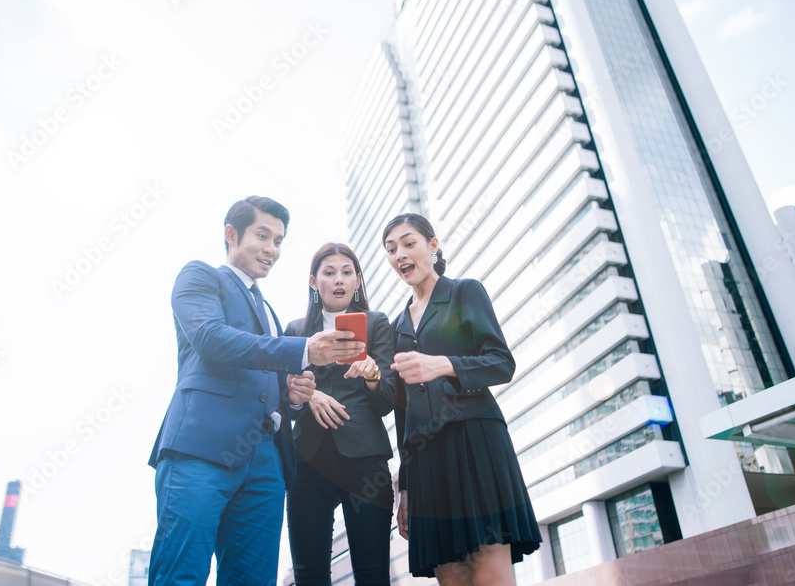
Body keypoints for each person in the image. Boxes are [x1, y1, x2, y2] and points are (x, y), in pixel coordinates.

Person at [146, 196, 366, 586]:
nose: (272, 249)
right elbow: (212, 339)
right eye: (262, 236)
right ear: (232, 234)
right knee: (182, 574)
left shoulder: (270, 312)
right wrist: (303, 350)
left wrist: (294, 395)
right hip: (202, 448)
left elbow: (267, 380)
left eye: (279, 241)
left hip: (267, 462)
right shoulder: (200, 277)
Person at [365, 212, 541, 585]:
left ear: (433, 245)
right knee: (452, 577)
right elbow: (402, 409)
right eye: (391, 249)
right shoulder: (397, 326)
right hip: (426, 459)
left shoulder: (464, 291)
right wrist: (406, 486)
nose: (400, 255)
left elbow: (501, 363)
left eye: (408, 243)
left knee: (489, 570)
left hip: (475, 442)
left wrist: (442, 364)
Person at [284, 243, 397, 585]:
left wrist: (373, 374)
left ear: (358, 280)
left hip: (364, 460)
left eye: (347, 272)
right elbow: (284, 402)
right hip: (308, 460)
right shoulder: (295, 330)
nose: (339, 280)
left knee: (373, 573)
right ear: (313, 282)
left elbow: (387, 402)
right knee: (309, 575)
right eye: (329, 272)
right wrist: (310, 395)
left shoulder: (377, 324)